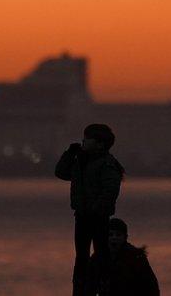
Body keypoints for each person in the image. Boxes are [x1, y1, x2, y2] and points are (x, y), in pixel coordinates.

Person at [56, 124, 126, 296]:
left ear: (99, 144)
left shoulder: (107, 164)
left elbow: (110, 191)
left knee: (101, 254)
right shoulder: (81, 161)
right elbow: (61, 172)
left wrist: (96, 209)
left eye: (87, 139)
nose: (83, 141)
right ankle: (80, 288)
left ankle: (104, 287)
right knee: (81, 255)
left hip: (98, 217)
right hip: (81, 215)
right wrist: (69, 154)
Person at [87, 217, 160, 296]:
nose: (114, 238)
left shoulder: (136, 257)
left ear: (125, 237)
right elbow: (90, 285)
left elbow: (151, 287)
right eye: (110, 234)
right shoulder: (98, 258)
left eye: (118, 235)